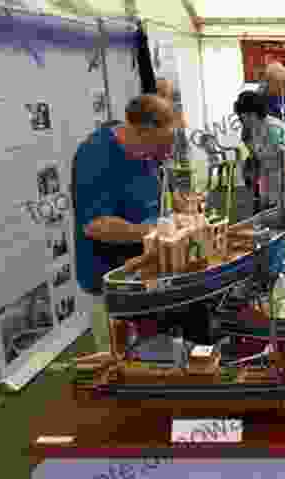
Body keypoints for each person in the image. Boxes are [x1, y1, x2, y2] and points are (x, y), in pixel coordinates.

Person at [74, 94, 176, 350]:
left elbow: (154, 193)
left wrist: (179, 208)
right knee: (116, 365)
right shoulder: (95, 156)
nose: (161, 151)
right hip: (108, 279)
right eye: (160, 141)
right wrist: (154, 231)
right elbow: (95, 225)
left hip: (142, 273)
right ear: (142, 131)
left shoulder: (146, 151)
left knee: (150, 356)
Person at [235, 90, 285, 209]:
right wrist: (260, 193)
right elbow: (261, 162)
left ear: (256, 113)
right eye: (242, 117)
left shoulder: (273, 129)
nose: (245, 120)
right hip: (276, 177)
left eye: (248, 116)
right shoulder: (252, 129)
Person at [256, 62, 285, 131]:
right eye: (277, 82)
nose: (281, 85)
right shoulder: (258, 99)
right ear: (268, 81)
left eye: (284, 81)